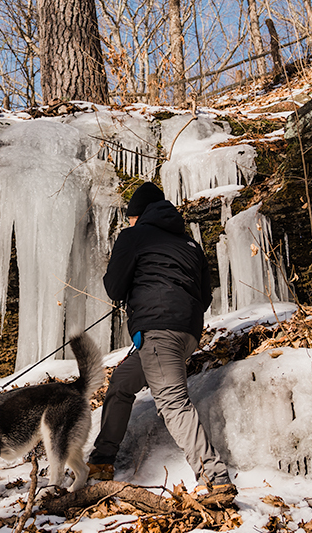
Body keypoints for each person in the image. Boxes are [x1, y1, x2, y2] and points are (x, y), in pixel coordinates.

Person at [87, 181, 234, 491]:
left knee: (173, 402)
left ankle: (215, 478)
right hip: (188, 333)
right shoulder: (190, 244)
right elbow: (204, 297)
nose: (127, 222)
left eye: (129, 216)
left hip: (159, 331)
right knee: (122, 382)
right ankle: (102, 459)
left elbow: (114, 288)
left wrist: (140, 292)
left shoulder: (133, 236)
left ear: (138, 215)